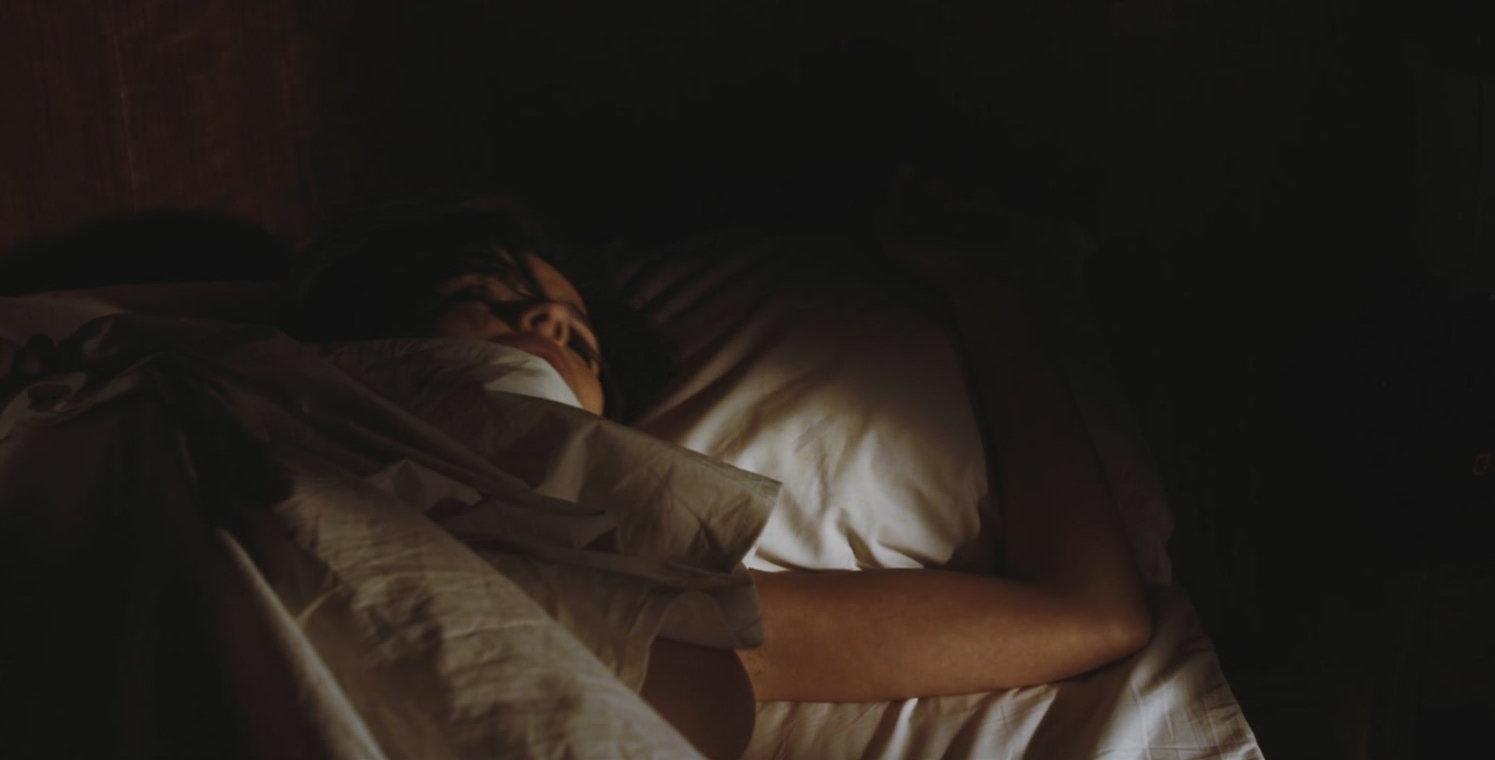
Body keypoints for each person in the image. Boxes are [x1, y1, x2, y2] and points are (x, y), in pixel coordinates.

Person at [281, 204, 1150, 753]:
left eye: (581, 339)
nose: (548, 317)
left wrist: (990, 296)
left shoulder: (665, 597)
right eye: (487, 295)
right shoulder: (263, 421)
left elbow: (1086, 613)